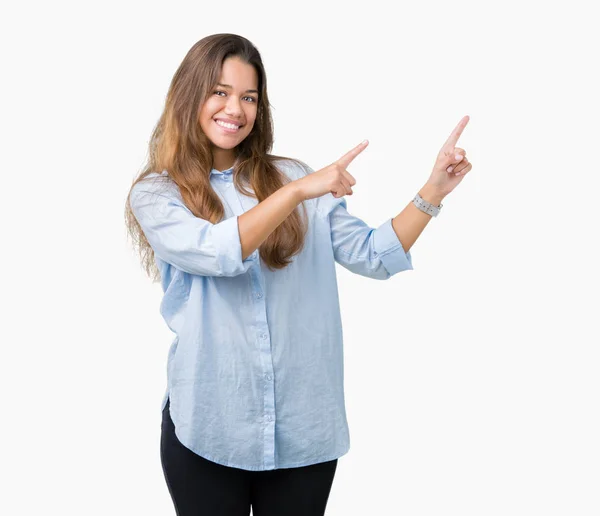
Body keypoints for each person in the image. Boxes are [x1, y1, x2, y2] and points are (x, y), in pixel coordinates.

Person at [124, 33, 472, 516]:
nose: (235, 109)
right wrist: (293, 194)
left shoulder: (295, 177)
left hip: (303, 429)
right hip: (209, 426)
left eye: (249, 97)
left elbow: (373, 255)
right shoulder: (157, 194)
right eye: (220, 92)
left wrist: (433, 190)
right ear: (190, 95)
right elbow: (216, 252)